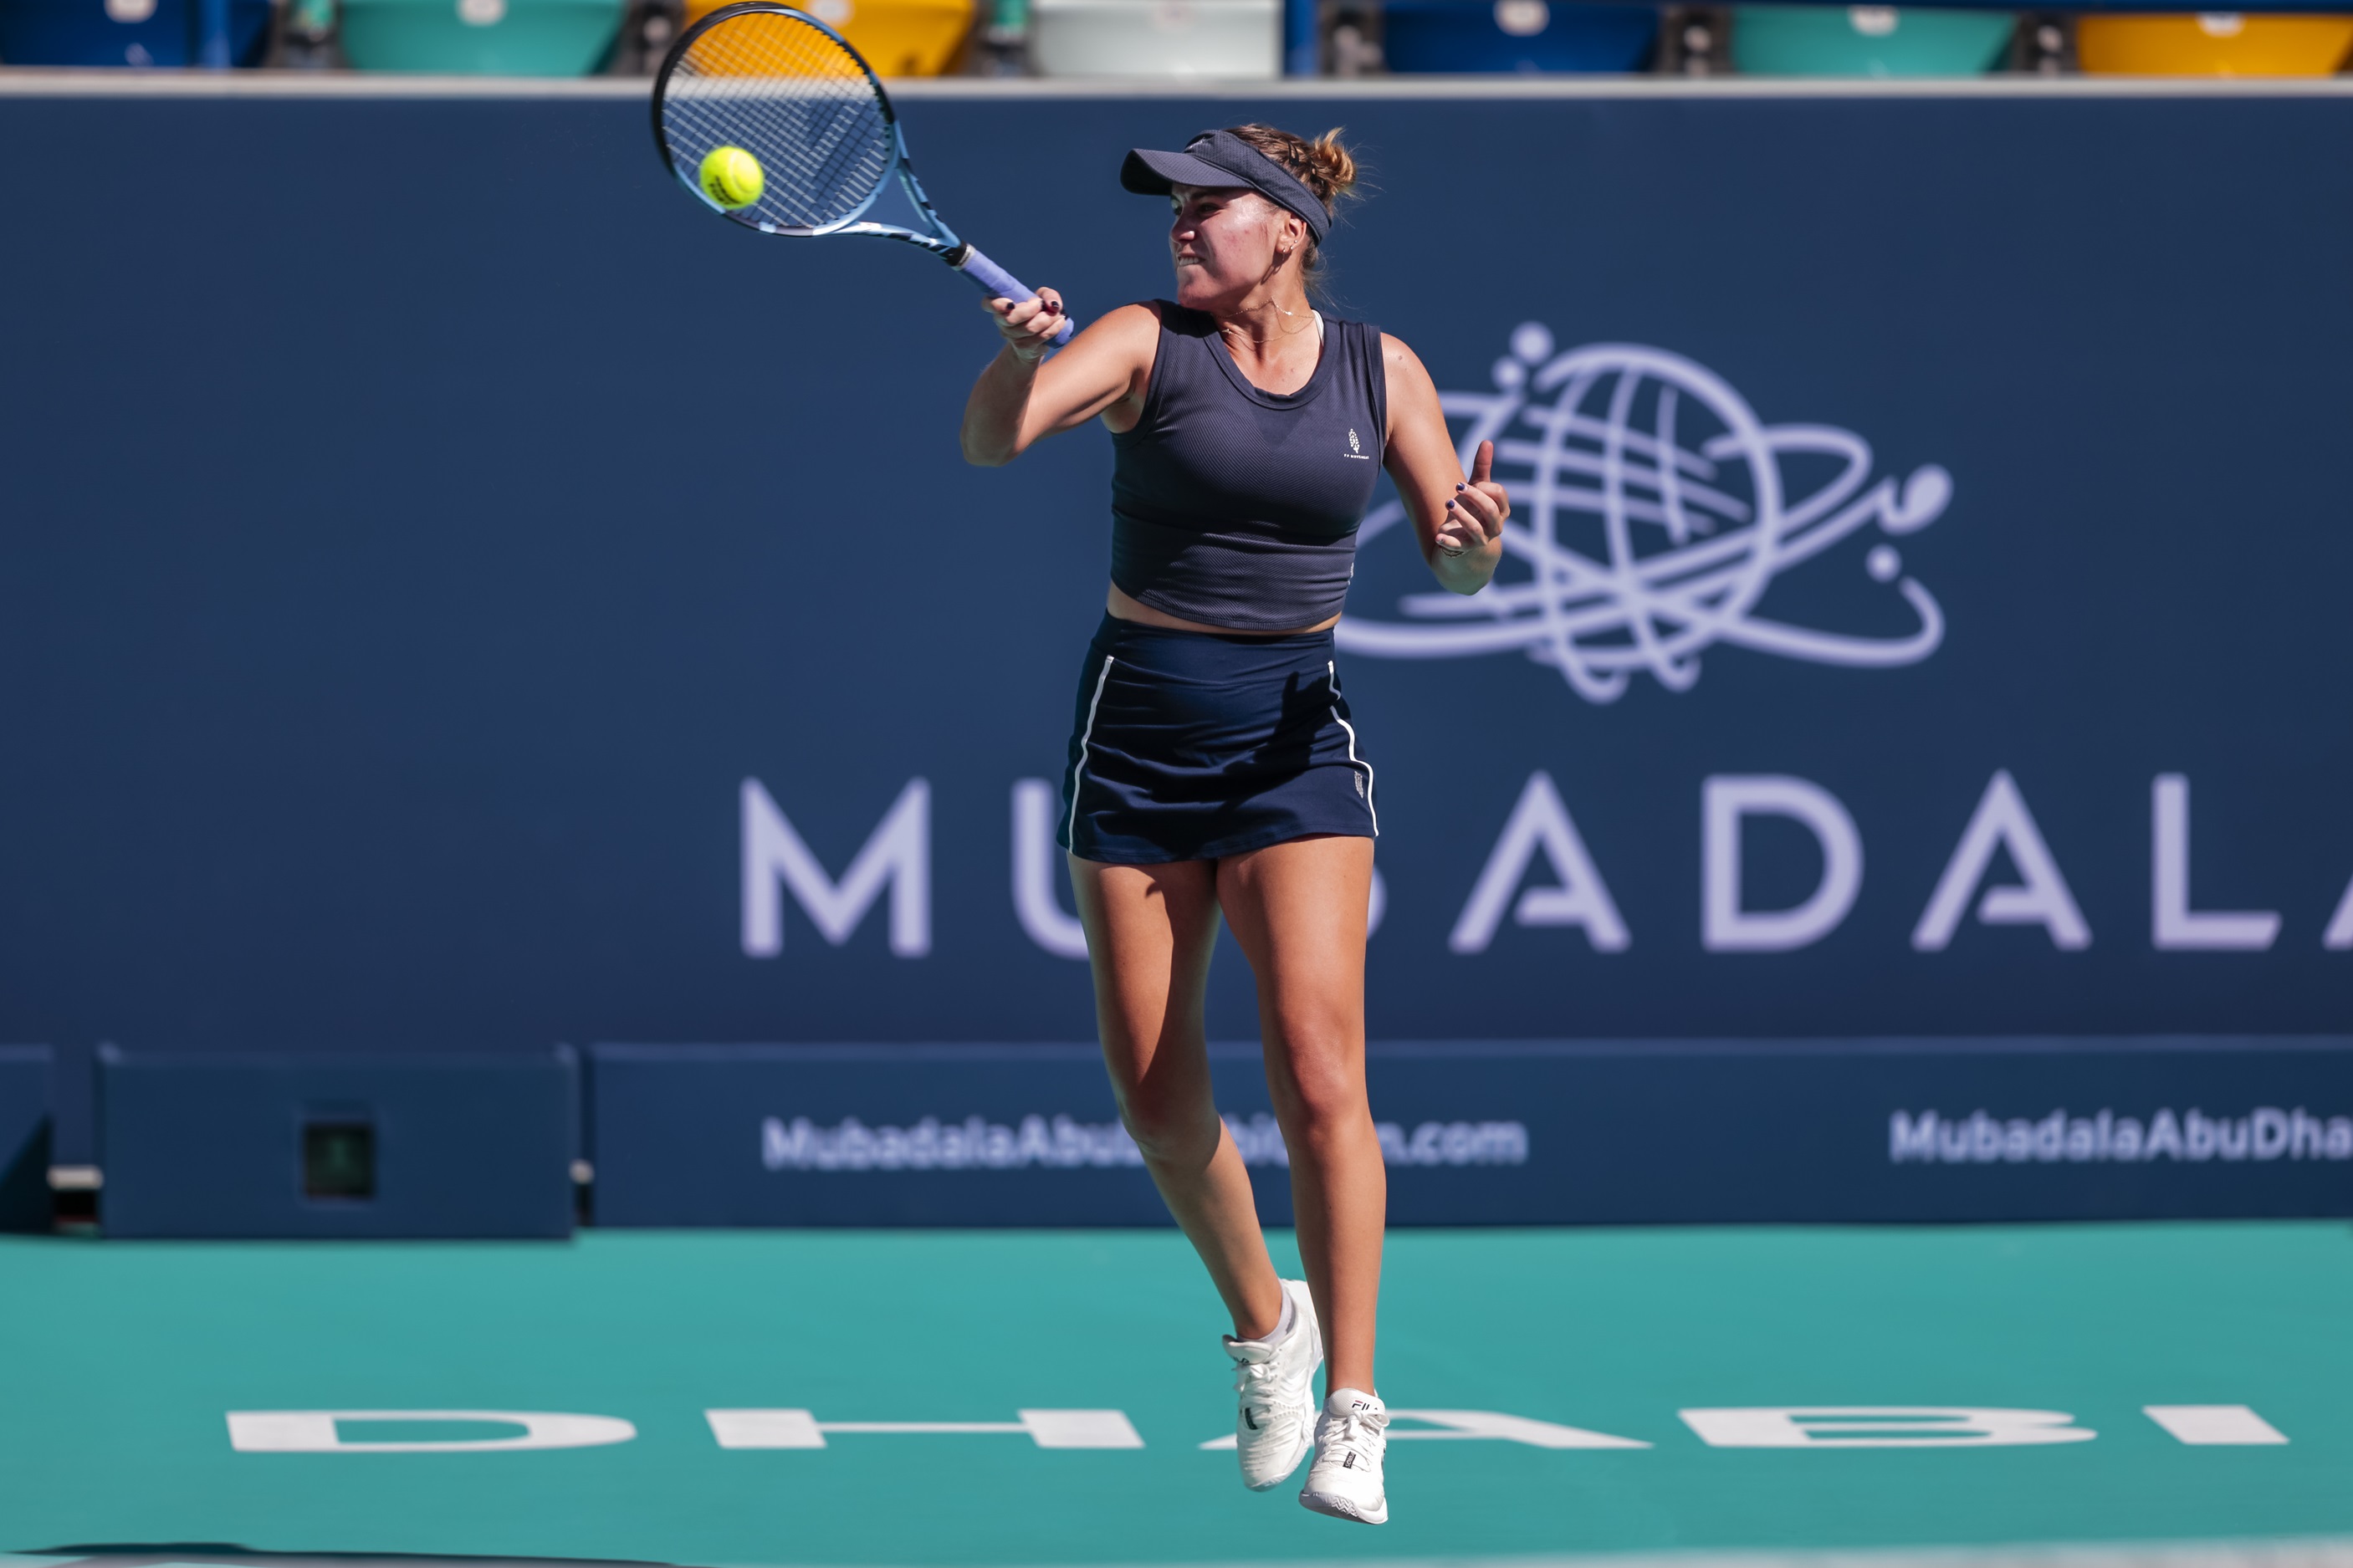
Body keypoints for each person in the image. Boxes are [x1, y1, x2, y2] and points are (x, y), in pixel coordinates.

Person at [959, 125, 1509, 1525]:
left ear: (1289, 229)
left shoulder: (1378, 369)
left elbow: (1454, 565)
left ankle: (1356, 1408)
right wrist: (1021, 358)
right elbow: (992, 444)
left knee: (1323, 1075)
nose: (1181, 231)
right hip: (1137, 733)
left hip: (1290, 744)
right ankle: (1268, 1330)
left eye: (1209, 211)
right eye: (1174, 213)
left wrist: (1472, 546)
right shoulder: (1143, 340)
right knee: (1154, 1094)